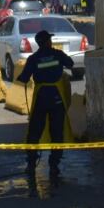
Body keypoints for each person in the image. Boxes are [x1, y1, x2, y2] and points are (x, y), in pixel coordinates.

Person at [15, 28, 74, 180]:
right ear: (47, 41)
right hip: (56, 98)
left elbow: (24, 78)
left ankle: (31, 164)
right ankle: (54, 165)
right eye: (49, 39)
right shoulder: (57, 54)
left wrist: (23, 76)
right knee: (57, 132)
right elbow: (71, 63)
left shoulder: (33, 59)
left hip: (41, 98)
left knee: (35, 132)